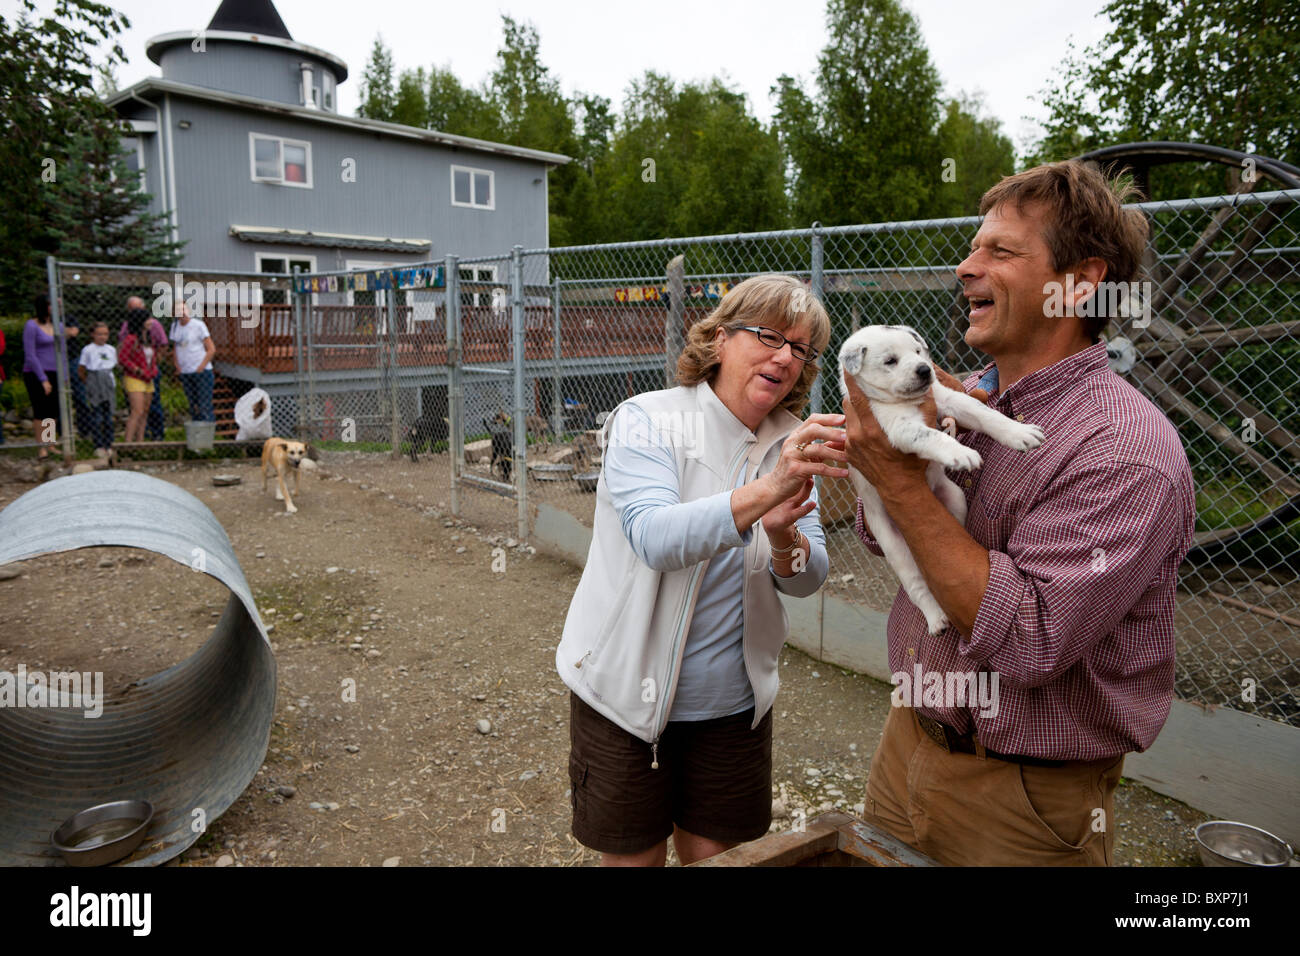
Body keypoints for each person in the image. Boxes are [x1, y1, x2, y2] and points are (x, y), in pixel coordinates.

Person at [842, 160, 1196, 866]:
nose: (965, 267)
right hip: (905, 743)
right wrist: (885, 473)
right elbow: (883, 542)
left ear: (1080, 282)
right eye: (974, 248)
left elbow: (1030, 641)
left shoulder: (1123, 450)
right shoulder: (968, 398)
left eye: (999, 251)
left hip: (1023, 803)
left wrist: (905, 486)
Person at [556, 274, 850, 866]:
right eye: (768, 335)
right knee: (635, 859)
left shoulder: (792, 439)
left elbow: (806, 577)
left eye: (801, 348)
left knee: (720, 860)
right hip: (624, 700)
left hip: (732, 707)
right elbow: (655, 538)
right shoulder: (647, 419)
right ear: (719, 339)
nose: (785, 356)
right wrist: (770, 489)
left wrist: (784, 532)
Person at [21, 293, 77, 464]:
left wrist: (65, 375)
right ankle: (42, 447)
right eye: (52, 305)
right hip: (36, 373)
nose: (56, 308)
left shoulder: (58, 326)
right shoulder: (31, 325)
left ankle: (50, 442)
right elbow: (30, 355)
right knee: (41, 410)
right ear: (44, 306)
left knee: (52, 411)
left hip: (56, 372)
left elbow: (62, 353)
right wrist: (43, 379)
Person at [119, 296, 168, 440]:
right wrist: (138, 370)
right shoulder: (131, 339)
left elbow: (152, 357)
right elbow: (123, 358)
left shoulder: (147, 339)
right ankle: (128, 443)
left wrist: (153, 370)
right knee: (137, 411)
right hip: (135, 378)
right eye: (147, 319)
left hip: (148, 378)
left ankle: (140, 441)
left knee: (146, 411)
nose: (150, 322)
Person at [169, 301, 216, 422]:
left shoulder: (198, 325)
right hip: (185, 372)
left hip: (201, 372)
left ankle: (207, 433)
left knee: (204, 405)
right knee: (193, 405)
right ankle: (196, 433)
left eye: (184, 309)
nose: (182, 312)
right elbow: (175, 348)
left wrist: (201, 366)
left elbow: (211, 349)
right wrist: (177, 367)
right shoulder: (175, 327)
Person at [77, 321, 117, 456]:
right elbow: (81, 369)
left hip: (107, 381)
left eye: (105, 334)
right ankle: (98, 445)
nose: (103, 337)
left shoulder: (111, 349)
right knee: (97, 415)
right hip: (94, 381)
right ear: (93, 335)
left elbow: (113, 366)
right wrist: (89, 382)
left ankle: (109, 444)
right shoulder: (88, 349)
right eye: (99, 334)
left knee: (108, 416)